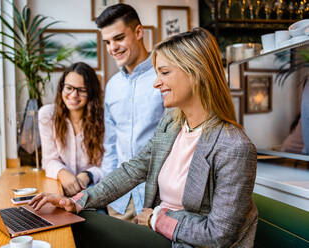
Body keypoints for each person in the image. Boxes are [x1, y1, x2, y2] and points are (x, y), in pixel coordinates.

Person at [30, 28, 258, 248]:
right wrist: (78, 201)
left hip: (180, 242)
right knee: (69, 218)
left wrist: (156, 219)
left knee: (78, 226)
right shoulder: (172, 123)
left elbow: (219, 234)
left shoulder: (234, 146)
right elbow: (133, 169)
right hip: (155, 233)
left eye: (165, 73)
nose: (156, 82)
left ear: (195, 72)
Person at [96, 3, 165, 221]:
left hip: (157, 199)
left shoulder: (164, 75)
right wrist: (106, 192)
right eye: (107, 42)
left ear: (138, 32)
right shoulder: (112, 86)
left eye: (118, 38)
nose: (112, 48)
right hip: (119, 201)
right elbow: (111, 144)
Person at [38, 62, 104, 196]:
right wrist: (63, 173)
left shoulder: (103, 119)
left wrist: (87, 175)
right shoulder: (48, 115)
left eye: (82, 90)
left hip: (93, 192)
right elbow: (49, 160)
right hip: (60, 189)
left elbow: (109, 164)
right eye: (69, 88)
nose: (74, 95)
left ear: (91, 93)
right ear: (61, 88)